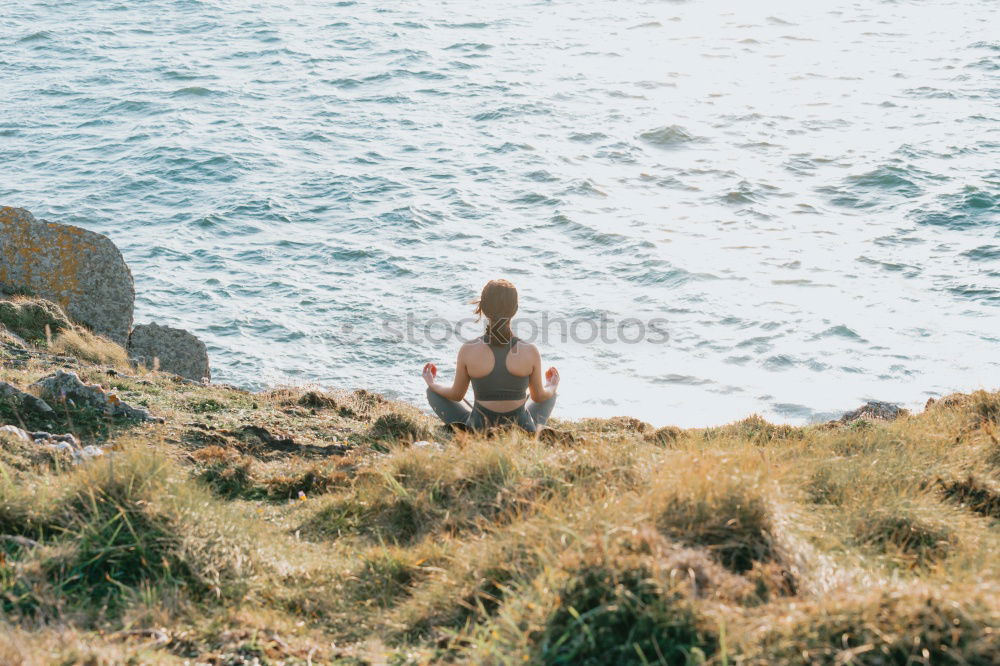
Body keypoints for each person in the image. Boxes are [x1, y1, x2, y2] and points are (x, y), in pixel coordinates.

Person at [423, 279, 559, 433]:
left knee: (432, 392)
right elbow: (539, 396)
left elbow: (456, 394)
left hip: (479, 429)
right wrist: (552, 385)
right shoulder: (530, 351)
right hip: (523, 429)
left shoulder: (468, 350)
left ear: (484, 308)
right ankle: (527, 427)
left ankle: (469, 427)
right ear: (515, 310)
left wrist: (432, 384)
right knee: (550, 394)